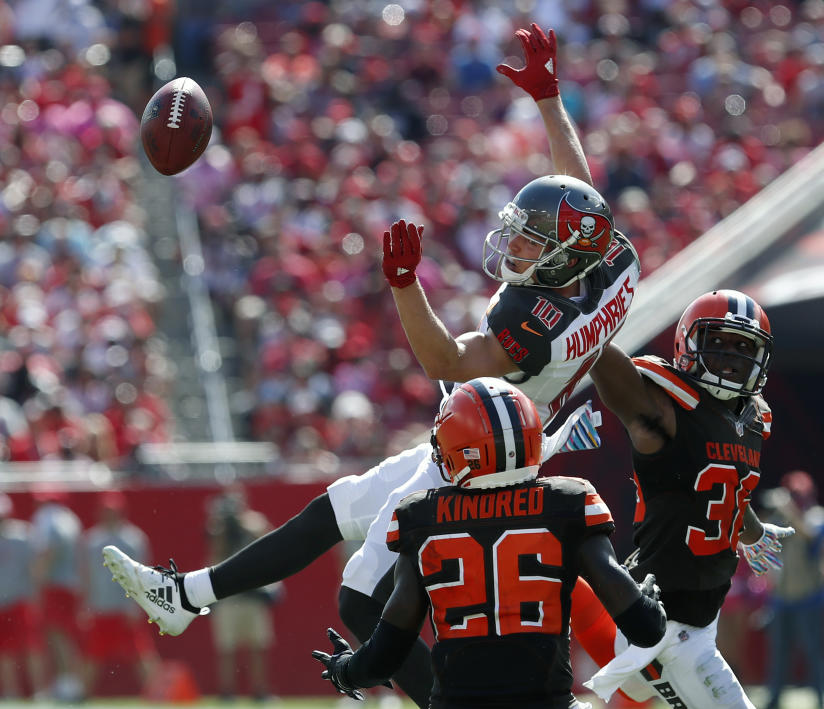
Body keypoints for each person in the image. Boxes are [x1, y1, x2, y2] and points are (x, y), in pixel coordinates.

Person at [102, 23, 632, 708]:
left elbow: (444, 358)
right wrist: (551, 99)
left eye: (531, 244)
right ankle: (187, 594)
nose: (516, 249)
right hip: (506, 430)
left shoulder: (534, 325)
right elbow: (578, 192)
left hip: (487, 448)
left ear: (562, 257)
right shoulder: (612, 261)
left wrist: (404, 283)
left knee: (359, 595)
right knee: (339, 505)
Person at [311, 377, 667, 708]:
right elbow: (645, 629)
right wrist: (649, 602)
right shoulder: (568, 501)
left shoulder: (420, 518)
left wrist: (346, 669)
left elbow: (385, 655)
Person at [566, 289, 795, 709]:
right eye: (718, 342)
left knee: (634, 701)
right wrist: (587, 320)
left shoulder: (751, 420)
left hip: (699, 621)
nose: (731, 356)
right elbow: (608, 368)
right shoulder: (668, 407)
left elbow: (723, 494)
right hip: (661, 624)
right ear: (688, 344)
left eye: (744, 347)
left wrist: (753, 532)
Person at [761, 471, 824, 709]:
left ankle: (822, 700)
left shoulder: (818, 516)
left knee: (814, 653)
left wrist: (788, 509)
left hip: (810, 597)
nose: (794, 498)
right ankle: (773, 702)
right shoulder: (778, 518)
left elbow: (812, 537)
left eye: (798, 494)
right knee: (779, 656)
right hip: (781, 598)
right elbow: (764, 548)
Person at [80, 491, 159, 697]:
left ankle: (158, 692)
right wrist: (85, 604)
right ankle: (82, 694)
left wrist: (141, 604)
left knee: (141, 653)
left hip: (126, 606)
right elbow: (87, 574)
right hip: (101, 606)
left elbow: (144, 574)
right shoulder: (92, 539)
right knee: (93, 654)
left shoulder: (134, 538)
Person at [205, 486, 278, 702]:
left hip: (253, 592)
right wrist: (221, 527)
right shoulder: (218, 525)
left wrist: (247, 525)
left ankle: (260, 690)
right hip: (229, 595)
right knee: (226, 647)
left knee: (258, 645)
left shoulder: (254, 521)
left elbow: (272, 542)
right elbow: (216, 552)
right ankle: (227, 691)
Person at [30, 489, 84, 702]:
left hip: (55, 585)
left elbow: (48, 553)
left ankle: (68, 683)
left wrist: (37, 581)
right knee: (64, 635)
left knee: (57, 634)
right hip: (69, 585)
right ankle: (69, 682)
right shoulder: (70, 520)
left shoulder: (50, 521)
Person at [0, 492, 46, 700]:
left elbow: (36, 566)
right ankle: (11, 691)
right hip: (3, 601)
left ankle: (39, 690)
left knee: (31, 647)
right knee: (5, 651)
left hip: (21, 599)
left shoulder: (23, 534)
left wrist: (34, 592)